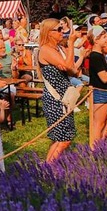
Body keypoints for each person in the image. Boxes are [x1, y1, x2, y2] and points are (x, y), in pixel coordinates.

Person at [38, 18, 79, 162]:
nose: (63, 32)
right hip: (55, 98)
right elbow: (69, 67)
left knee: (63, 137)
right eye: (59, 29)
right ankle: (48, 168)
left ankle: (49, 167)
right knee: (63, 138)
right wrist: (72, 43)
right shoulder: (45, 49)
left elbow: (72, 69)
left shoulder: (58, 49)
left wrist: (68, 63)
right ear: (49, 33)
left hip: (65, 97)